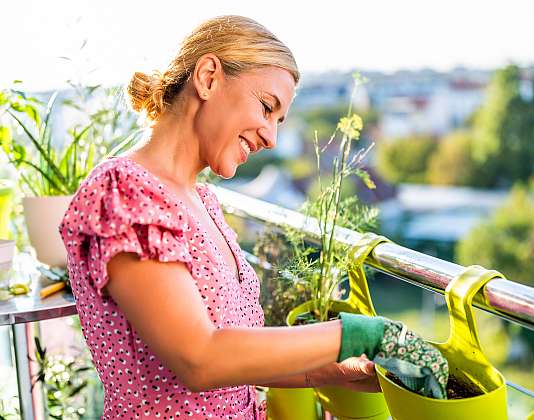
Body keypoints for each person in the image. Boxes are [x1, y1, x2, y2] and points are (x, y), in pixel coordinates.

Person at [59, 15, 447, 420]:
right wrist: (363, 335)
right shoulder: (123, 191)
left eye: (279, 121)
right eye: (266, 107)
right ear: (208, 77)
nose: (271, 137)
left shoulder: (203, 201)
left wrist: (342, 371)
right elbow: (200, 358)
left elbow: (236, 356)